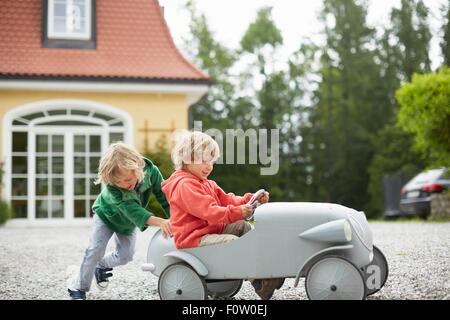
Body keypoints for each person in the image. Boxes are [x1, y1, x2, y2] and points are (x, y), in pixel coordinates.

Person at [161, 131, 283, 300]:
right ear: (186, 158)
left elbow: (227, 199)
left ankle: (264, 267)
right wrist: (237, 212)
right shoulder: (184, 185)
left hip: (210, 231)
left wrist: (249, 200)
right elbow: (209, 211)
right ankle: (259, 282)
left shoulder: (207, 183)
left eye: (211, 161)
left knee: (243, 226)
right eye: (204, 161)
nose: (209, 166)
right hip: (194, 238)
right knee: (232, 243)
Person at [67, 142, 172, 300]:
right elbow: (135, 211)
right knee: (95, 250)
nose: (124, 185)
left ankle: (100, 265)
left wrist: (175, 218)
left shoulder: (152, 172)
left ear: (137, 166)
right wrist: (162, 222)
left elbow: (164, 197)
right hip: (105, 216)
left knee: (126, 256)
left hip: (126, 223)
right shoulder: (113, 190)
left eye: (128, 179)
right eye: (118, 182)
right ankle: (77, 287)